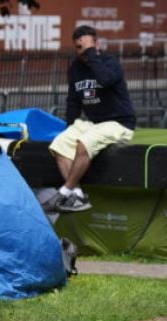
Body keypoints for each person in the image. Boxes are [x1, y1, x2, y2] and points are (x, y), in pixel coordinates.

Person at [47, 25, 135, 213]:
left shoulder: (110, 62)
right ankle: (77, 196)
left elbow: (105, 80)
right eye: (79, 48)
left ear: (96, 44)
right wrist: (70, 127)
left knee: (84, 143)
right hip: (95, 123)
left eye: (87, 46)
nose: (83, 52)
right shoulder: (75, 68)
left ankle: (64, 192)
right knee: (59, 144)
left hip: (119, 123)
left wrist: (91, 54)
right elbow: (73, 100)